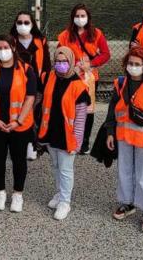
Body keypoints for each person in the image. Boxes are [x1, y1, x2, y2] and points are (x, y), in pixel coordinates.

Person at [104, 47, 143, 234]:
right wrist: (110, 132)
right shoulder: (120, 84)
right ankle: (127, 203)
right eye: (130, 63)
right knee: (124, 171)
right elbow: (112, 110)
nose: (133, 67)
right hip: (123, 136)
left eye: (137, 64)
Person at [0, 34, 37, 213]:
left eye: (5, 47)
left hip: (19, 125)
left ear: (13, 47)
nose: (2, 51)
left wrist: (18, 121)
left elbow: (30, 97)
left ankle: (18, 194)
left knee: (19, 160)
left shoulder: (26, 70)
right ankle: (0, 192)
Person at [37, 46, 90, 221]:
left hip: (68, 136)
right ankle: (59, 193)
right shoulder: (51, 77)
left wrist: (77, 141)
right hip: (51, 131)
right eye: (57, 61)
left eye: (64, 61)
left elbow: (81, 118)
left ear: (71, 62)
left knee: (66, 169)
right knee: (55, 165)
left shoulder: (79, 86)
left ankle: (65, 202)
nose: (60, 64)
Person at [57, 4, 111, 154]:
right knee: (70, 107)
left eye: (83, 16)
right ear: (72, 18)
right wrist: (70, 65)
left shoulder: (97, 34)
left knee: (88, 109)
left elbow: (106, 54)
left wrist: (91, 63)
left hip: (90, 77)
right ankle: (69, 136)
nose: (80, 19)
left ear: (88, 18)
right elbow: (60, 53)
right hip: (72, 77)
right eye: (77, 16)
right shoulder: (65, 36)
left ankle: (85, 141)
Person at [9, 11, 50, 161]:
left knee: (32, 116)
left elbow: (46, 64)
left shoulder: (40, 40)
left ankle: (32, 145)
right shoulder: (11, 41)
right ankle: (18, 145)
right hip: (17, 85)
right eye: (19, 22)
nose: (23, 25)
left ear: (32, 24)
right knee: (18, 115)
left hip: (36, 85)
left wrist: (45, 84)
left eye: (26, 22)